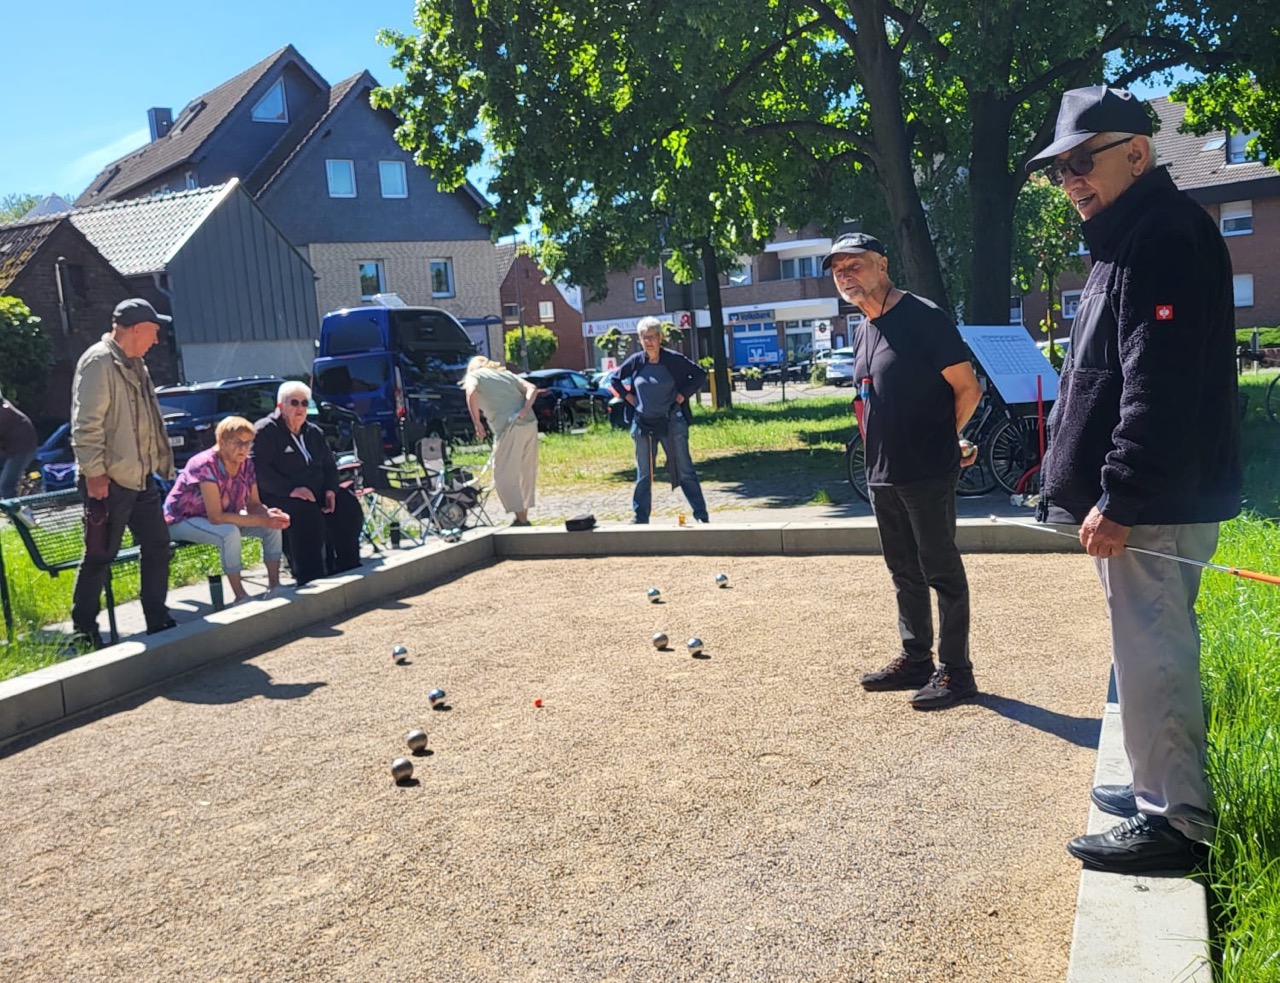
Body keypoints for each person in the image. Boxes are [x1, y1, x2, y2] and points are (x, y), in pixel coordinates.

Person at [1025, 85, 1242, 874]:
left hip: (1155, 501)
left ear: (1138, 154)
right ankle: (1155, 784)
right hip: (1152, 497)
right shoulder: (1132, 236)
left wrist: (1120, 493)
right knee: (1145, 645)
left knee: (1153, 652)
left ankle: (1177, 822)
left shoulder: (1160, 236)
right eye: (1060, 170)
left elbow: (1161, 383)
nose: (1071, 179)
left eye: (1084, 160)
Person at [825, 232, 983, 710]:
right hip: (881, 472)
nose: (846, 276)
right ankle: (916, 659)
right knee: (903, 572)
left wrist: (945, 436)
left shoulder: (922, 316)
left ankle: (957, 673)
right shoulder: (862, 328)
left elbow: (967, 388)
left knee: (941, 571)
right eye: (838, 271)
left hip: (927, 471)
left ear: (882, 265)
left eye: (855, 265)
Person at [69, 298, 177, 649]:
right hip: (109, 481)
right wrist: (94, 474)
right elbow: (86, 425)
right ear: (134, 329)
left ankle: (158, 618)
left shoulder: (137, 364)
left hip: (140, 477)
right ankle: (84, 631)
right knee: (100, 556)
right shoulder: (98, 362)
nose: (157, 340)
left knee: (159, 545)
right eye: (153, 332)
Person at [164, 416, 291, 603]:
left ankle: (274, 586)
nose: (244, 448)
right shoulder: (205, 464)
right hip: (180, 520)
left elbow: (254, 505)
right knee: (229, 532)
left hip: (215, 518)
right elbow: (216, 517)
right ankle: (240, 596)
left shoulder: (246, 463)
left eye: (248, 443)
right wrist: (262, 519)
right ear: (221, 441)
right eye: (237, 442)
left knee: (272, 525)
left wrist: (270, 516)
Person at [252, 381, 362, 587]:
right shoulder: (265, 432)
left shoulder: (314, 433)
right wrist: (292, 490)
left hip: (316, 491)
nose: (300, 408)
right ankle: (309, 575)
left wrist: (331, 490)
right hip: (280, 495)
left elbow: (329, 465)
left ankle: (348, 564)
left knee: (347, 504)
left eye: (304, 403)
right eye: (294, 402)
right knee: (305, 514)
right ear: (280, 406)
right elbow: (260, 472)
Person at [610, 317, 710, 524]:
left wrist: (682, 395)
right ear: (639, 339)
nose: (649, 342)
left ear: (660, 338)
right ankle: (640, 517)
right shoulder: (636, 361)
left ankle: (701, 515)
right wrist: (629, 398)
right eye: (644, 338)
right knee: (644, 473)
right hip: (643, 424)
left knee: (684, 469)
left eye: (652, 337)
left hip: (672, 422)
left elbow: (699, 375)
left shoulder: (673, 360)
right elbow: (615, 379)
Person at [463, 356, 539, 525]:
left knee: (502, 475)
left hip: (508, 427)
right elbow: (532, 388)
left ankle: (522, 519)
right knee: (525, 472)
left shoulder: (474, 376)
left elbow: (471, 392)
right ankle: (523, 517)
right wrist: (526, 408)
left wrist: (477, 423)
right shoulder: (507, 375)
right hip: (529, 424)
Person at [0, 390, 38, 499]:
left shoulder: (4, 411)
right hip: (12, 450)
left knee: (6, 486)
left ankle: (14, 514)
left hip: (21, 451)